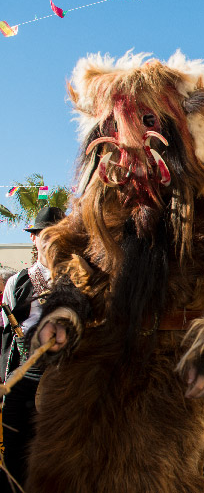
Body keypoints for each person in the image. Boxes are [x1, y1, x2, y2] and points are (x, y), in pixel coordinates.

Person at [0, 206, 64, 492]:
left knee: (61, 453)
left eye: (58, 235)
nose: (51, 241)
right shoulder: (17, 282)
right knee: (14, 448)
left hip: (65, 378)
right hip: (23, 377)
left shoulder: (80, 279)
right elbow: (5, 334)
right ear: (34, 239)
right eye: (45, 235)